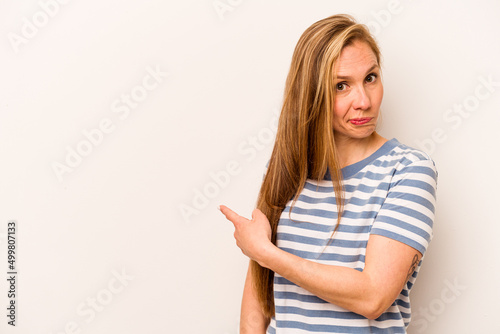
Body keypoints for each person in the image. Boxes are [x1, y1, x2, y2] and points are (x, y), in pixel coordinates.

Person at [219, 14, 437, 334]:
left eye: (371, 77)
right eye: (341, 86)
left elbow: (373, 297)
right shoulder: (287, 168)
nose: (363, 101)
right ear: (311, 92)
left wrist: (267, 254)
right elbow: (259, 290)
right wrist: (263, 259)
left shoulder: (408, 171)